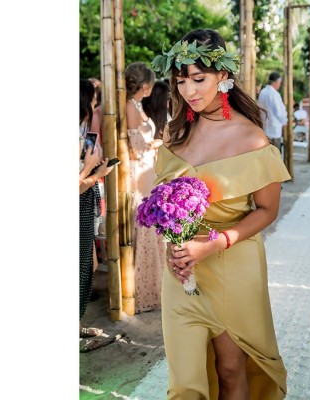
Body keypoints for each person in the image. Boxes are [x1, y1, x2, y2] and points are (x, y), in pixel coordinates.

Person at [152, 28, 289, 399]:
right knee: (184, 382)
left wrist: (214, 243)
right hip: (182, 269)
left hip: (233, 266)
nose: (189, 91)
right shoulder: (174, 133)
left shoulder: (252, 138)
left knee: (231, 370)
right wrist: (172, 241)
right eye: (181, 81)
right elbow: (163, 202)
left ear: (223, 75)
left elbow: (268, 210)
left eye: (198, 79)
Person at [125, 62, 166, 313]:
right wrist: (156, 143)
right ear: (145, 85)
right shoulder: (130, 106)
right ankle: (143, 289)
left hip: (148, 169)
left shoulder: (137, 105)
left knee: (152, 225)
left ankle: (154, 283)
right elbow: (135, 147)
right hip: (139, 169)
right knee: (144, 225)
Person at [79, 79, 115, 337]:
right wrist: (94, 170)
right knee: (83, 267)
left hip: (85, 202)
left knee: (88, 264)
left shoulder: (82, 133)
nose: (95, 105)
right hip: (79, 204)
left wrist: (94, 169)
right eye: (93, 100)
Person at [257, 71, 288, 153]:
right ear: (276, 82)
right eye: (279, 83)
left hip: (264, 128)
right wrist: (284, 121)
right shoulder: (274, 94)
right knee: (275, 154)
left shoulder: (263, 92)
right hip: (274, 129)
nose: (279, 85)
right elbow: (279, 112)